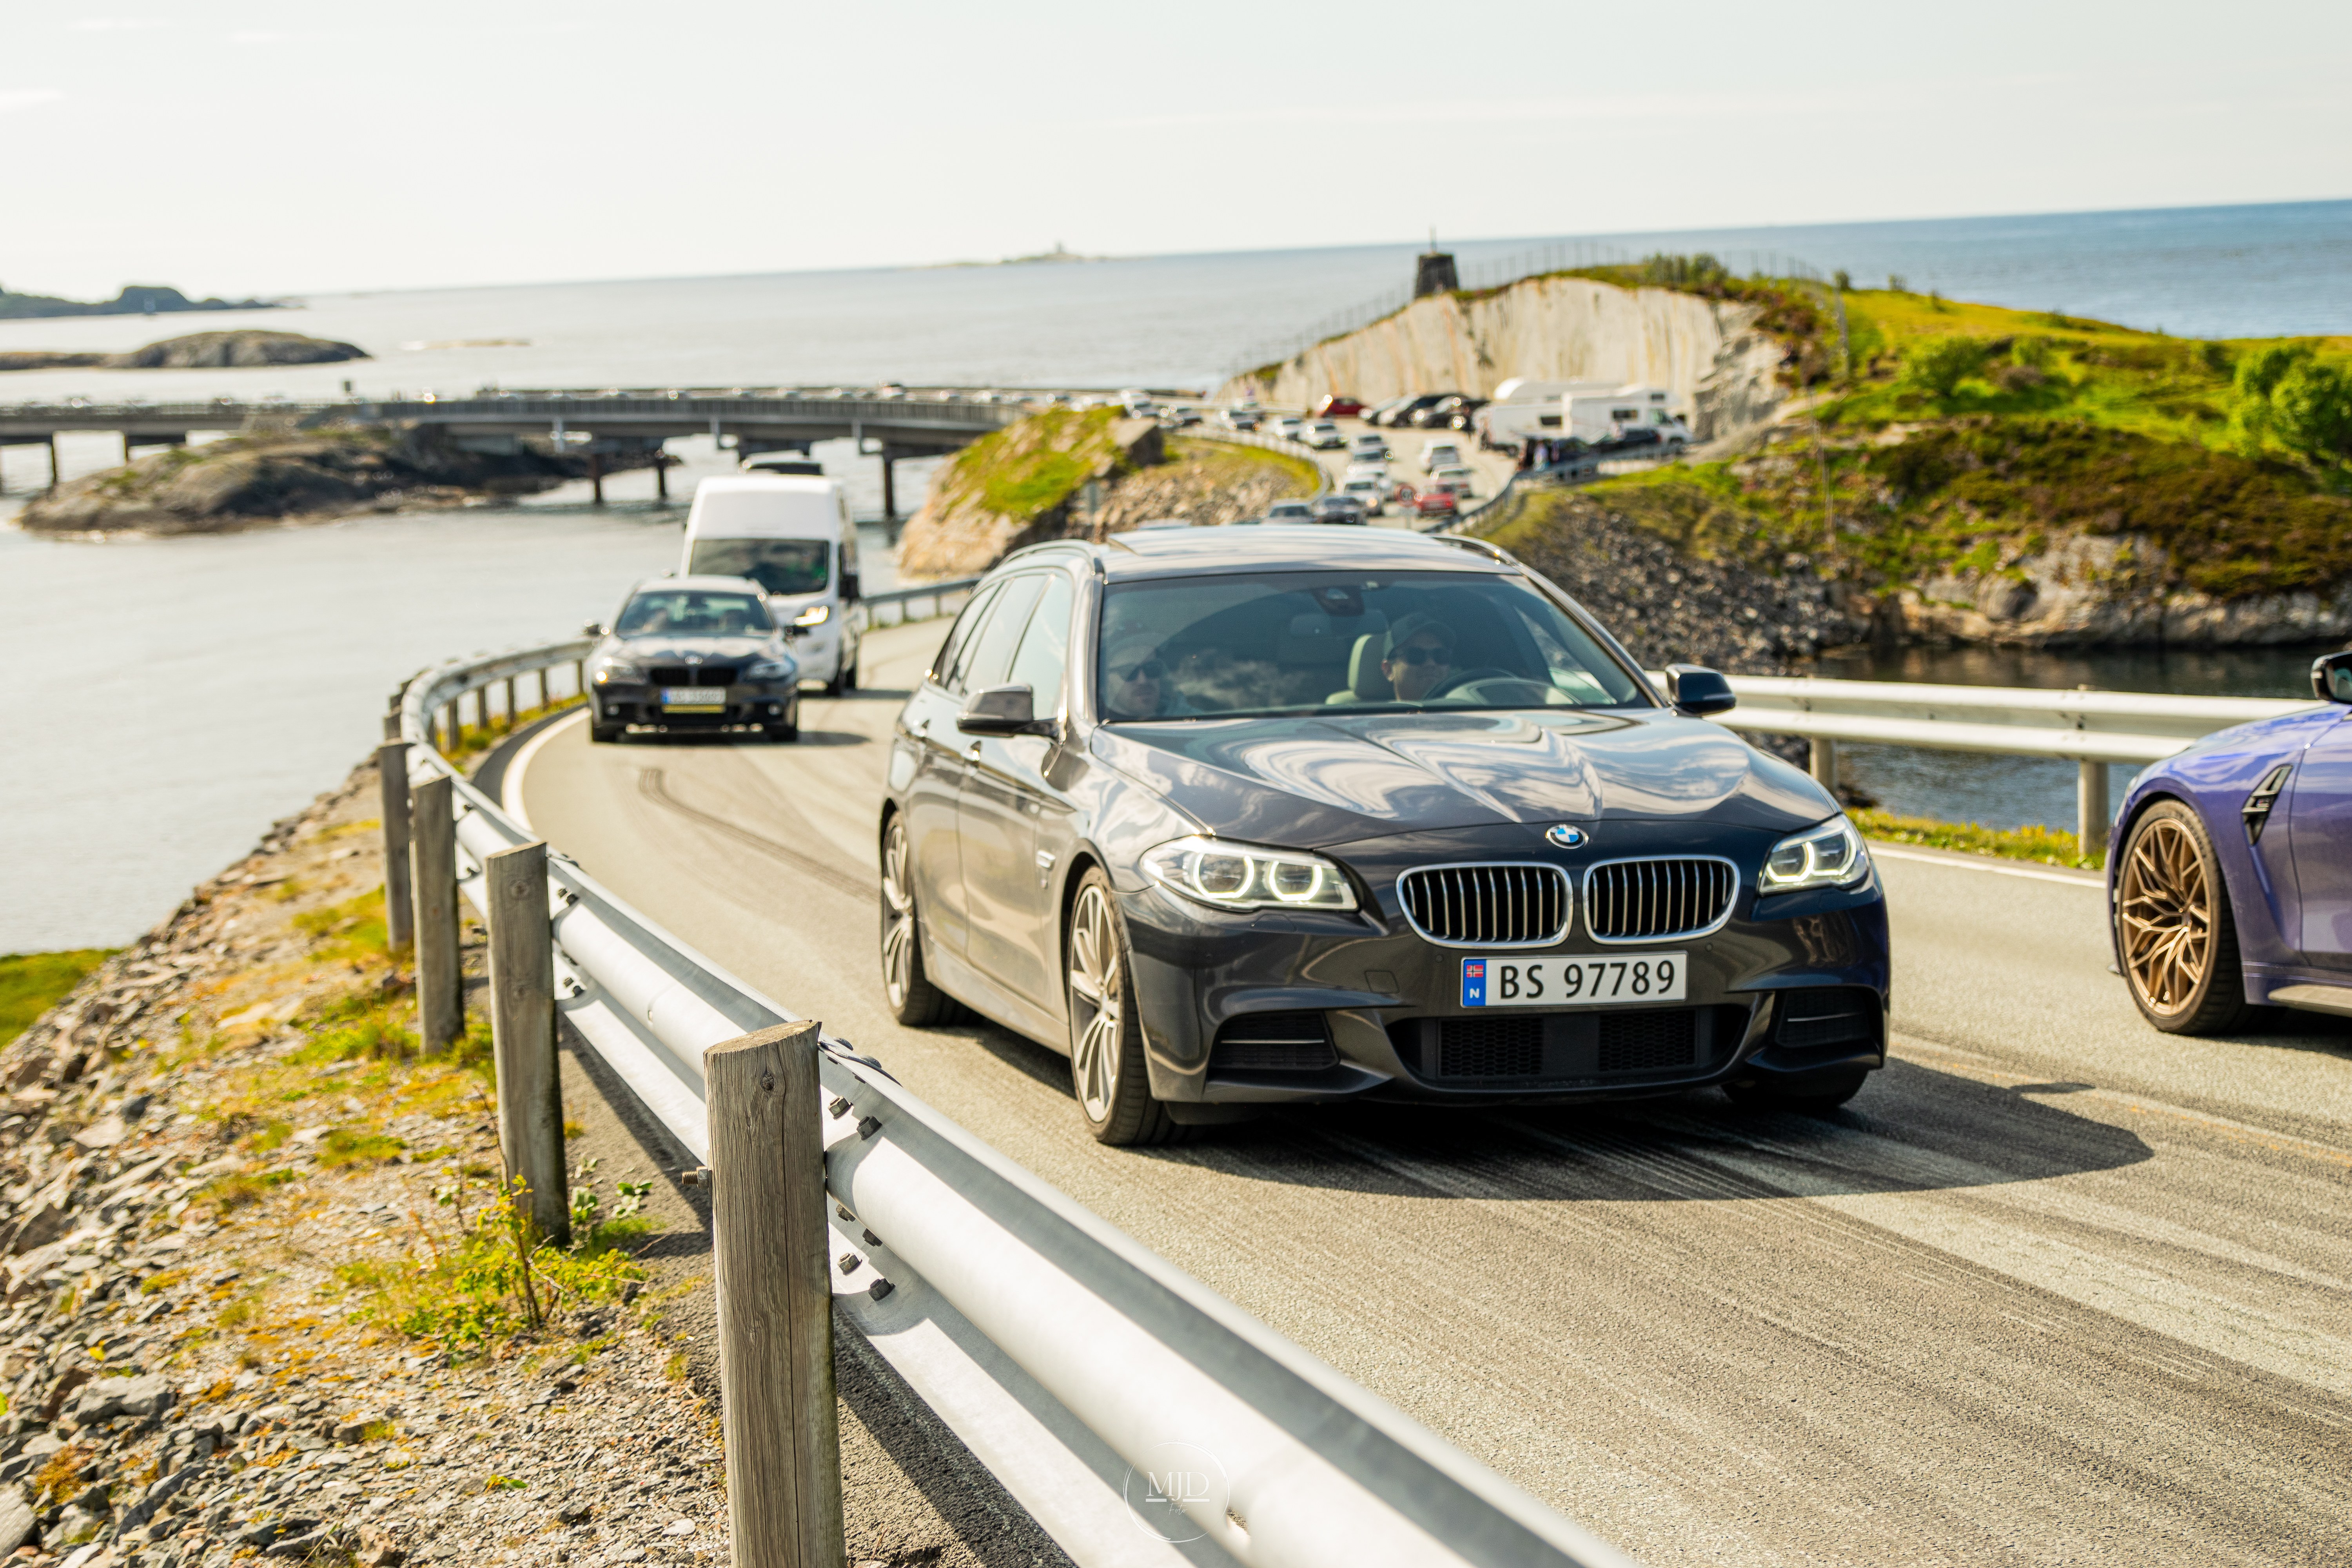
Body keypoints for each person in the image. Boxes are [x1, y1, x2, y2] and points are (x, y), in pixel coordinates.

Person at [1380, 612, 1456, 702]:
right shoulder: (1373, 711)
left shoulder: (1466, 708)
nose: (1431, 663)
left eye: (1440, 655)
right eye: (1416, 655)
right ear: (1388, 670)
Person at [1102, 635, 1179, 719]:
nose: (1143, 681)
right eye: (1129, 672)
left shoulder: (1181, 714)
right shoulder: (1095, 723)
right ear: (1106, 680)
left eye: (1152, 668)